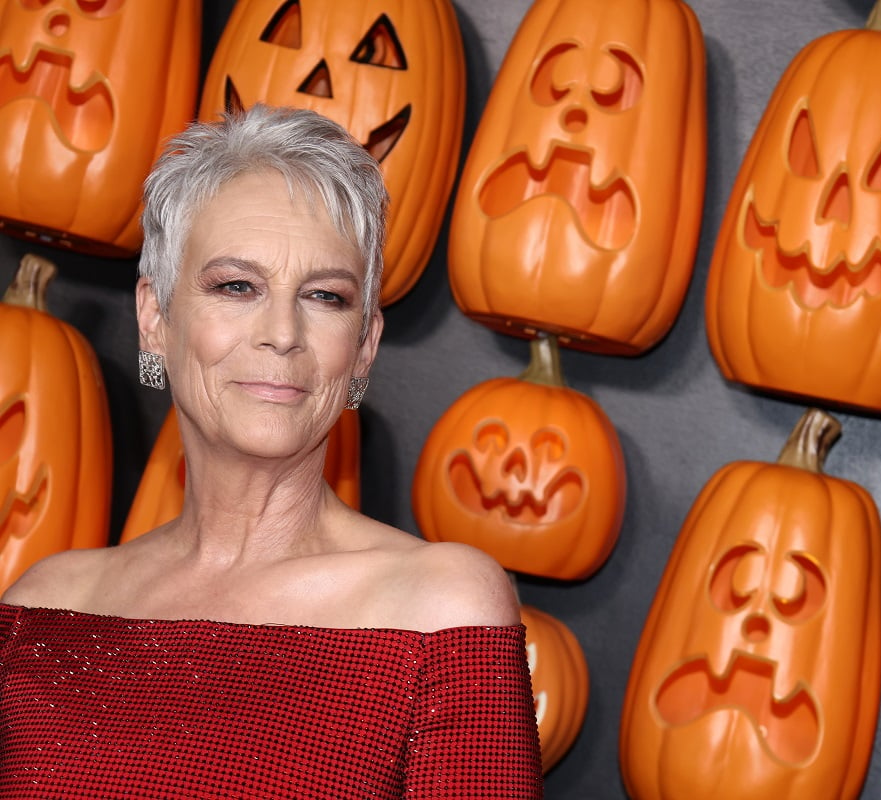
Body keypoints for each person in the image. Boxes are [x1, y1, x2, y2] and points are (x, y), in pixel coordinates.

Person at [0, 104, 544, 798]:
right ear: (155, 318)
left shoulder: (440, 607)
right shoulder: (41, 609)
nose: (282, 331)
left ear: (364, 346)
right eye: (236, 286)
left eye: (325, 296)